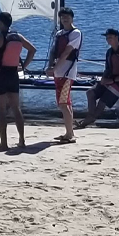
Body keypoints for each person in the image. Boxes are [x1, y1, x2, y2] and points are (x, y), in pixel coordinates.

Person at [0, 12, 35, 150]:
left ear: (1, 22)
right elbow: (32, 50)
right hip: (13, 75)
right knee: (16, 108)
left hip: (0, 74)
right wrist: (23, 67)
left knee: (0, 110)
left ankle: (4, 143)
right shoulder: (18, 37)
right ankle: (22, 140)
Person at [79, 28, 119, 129]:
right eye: (107, 38)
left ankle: (87, 121)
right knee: (90, 93)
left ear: (117, 38)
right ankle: (91, 116)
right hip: (110, 79)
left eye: (110, 37)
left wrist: (113, 81)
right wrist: (103, 79)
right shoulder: (109, 52)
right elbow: (107, 69)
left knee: (102, 101)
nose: (108, 39)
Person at [48, 7, 83, 143]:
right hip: (58, 72)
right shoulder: (59, 33)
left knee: (63, 103)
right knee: (65, 103)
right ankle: (69, 132)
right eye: (62, 17)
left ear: (72, 18)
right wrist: (50, 66)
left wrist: (55, 67)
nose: (65, 19)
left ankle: (70, 135)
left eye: (67, 17)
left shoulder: (76, 33)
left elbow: (67, 52)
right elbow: (53, 51)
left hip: (67, 73)